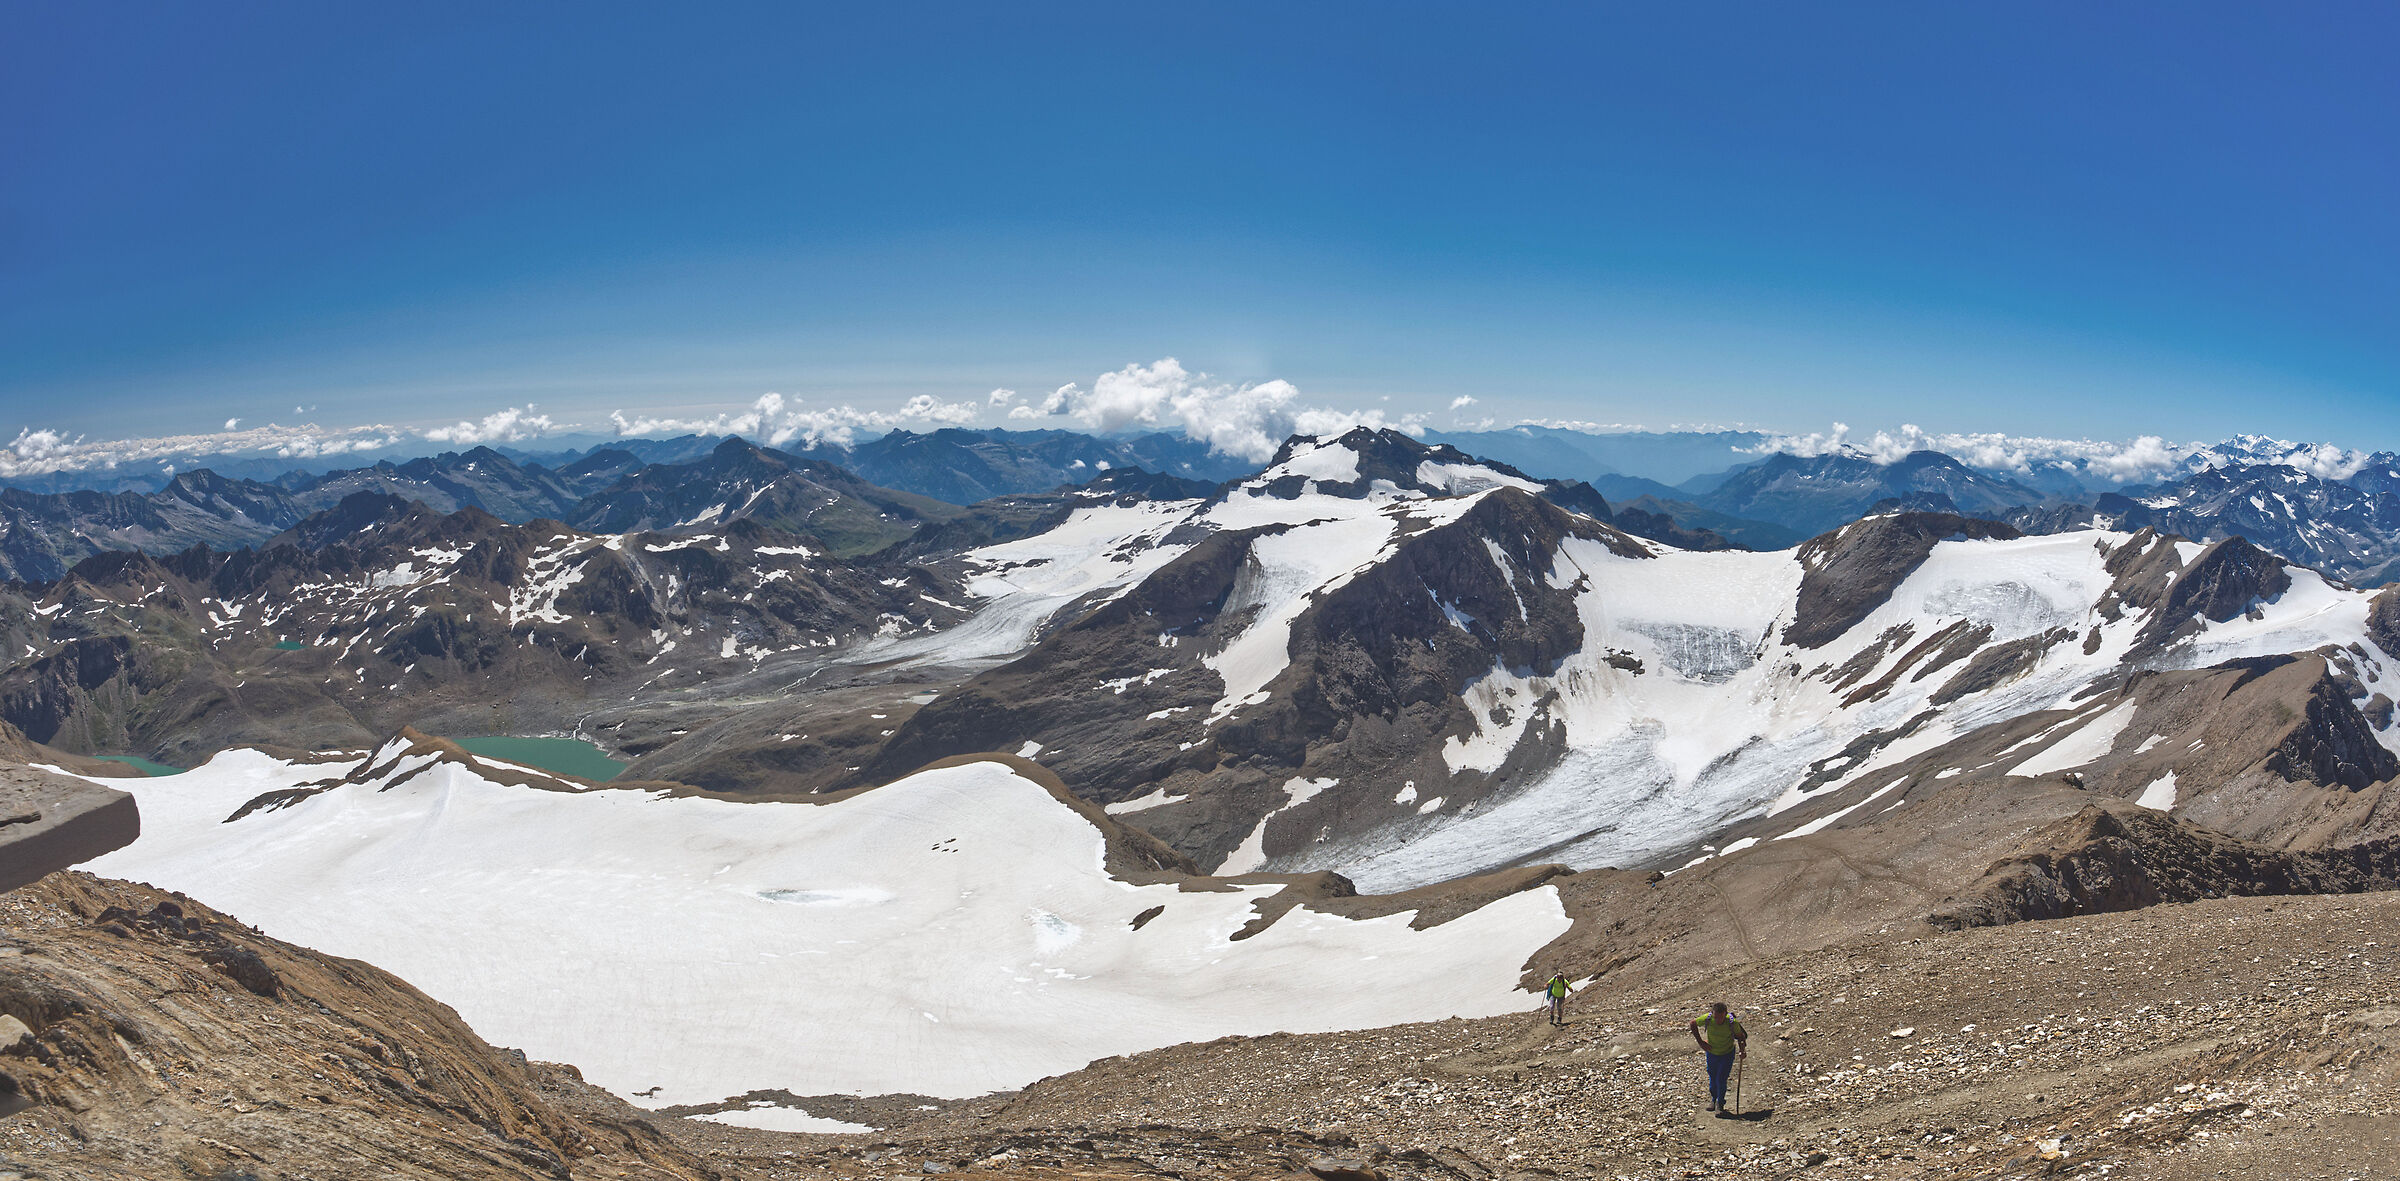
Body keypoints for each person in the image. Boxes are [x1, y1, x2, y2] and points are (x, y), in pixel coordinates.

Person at [1688, 1002, 1746, 1113]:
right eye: (1716, 1017)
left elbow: (1740, 1037)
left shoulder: (1732, 1022)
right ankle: (1714, 1099)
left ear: (1725, 1014)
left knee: (1721, 1079)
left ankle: (1720, 1103)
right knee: (1713, 1078)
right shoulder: (1708, 1019)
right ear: (1712, 1014)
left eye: (1721, 1017)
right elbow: (1693, 1023)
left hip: (1727, 1053)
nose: (1718, 1020)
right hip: (1712, 1053)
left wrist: (1742, 1050)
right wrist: (1700, 1042)